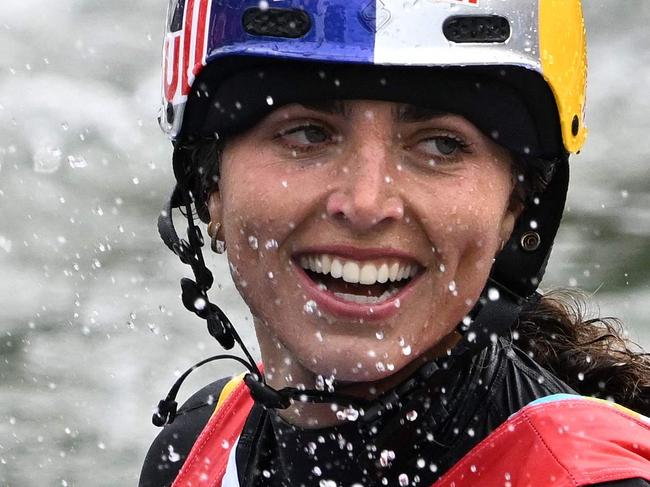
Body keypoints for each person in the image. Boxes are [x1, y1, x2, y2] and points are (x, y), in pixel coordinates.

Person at [140, 0, 650, 485]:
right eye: (306, 134)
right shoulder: (194, 454)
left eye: (440, 144)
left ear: (514, 211)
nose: (366, 204)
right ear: (210, 187)